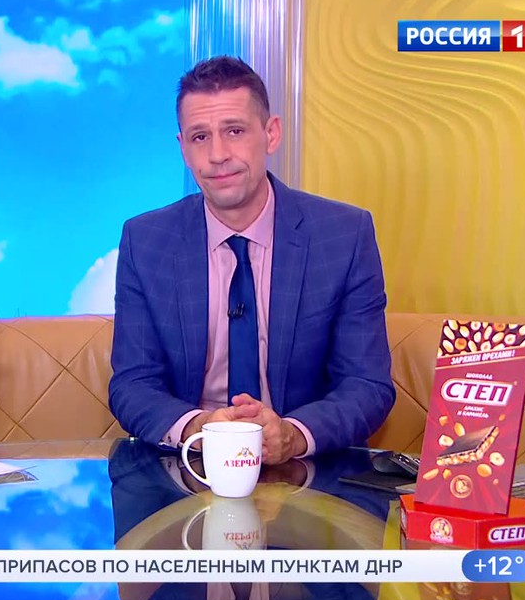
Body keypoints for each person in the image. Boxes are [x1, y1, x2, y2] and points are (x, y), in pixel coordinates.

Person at [109, 56, 394, 465]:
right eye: (200, 137)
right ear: (183, 149)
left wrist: (292, 436)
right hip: (188, 466)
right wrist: (201, 429)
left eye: (235, 131)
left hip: (306, 468)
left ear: (271, 134)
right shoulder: (146, 241)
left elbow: (367, 385)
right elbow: (132, 385)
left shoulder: (344, 235)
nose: (218, 154)